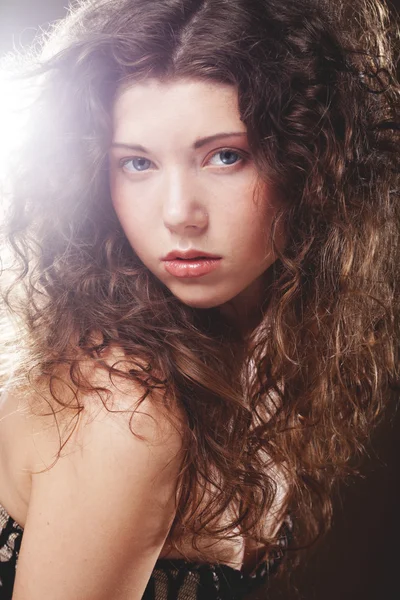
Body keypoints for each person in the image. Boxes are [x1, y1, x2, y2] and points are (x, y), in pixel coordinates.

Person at [0, 0, 398, 598]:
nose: (178, 214)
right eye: (137, 163)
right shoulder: (125, 414)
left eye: (225, 156)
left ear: (312, 163)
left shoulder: (270, 349)